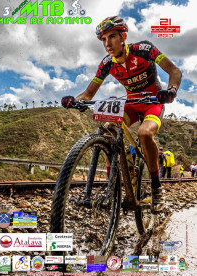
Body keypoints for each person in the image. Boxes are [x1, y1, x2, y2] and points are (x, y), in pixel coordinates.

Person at [61, 16, 182, 211]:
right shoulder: (107, 63)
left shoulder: (144, 49)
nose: (107, 43)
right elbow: (88, 93)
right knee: (108, 131)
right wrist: (75, 100)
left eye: (112, 37)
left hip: (152, 102)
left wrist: (171, 90)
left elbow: (174, 71)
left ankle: (156, 186)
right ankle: (115, 184)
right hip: (132, 103)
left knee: (144, 134)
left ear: (123, 36)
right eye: (103, 40)